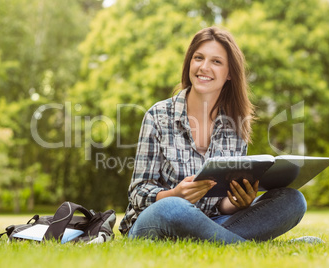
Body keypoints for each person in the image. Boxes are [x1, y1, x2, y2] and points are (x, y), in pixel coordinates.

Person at [119, 26, 307, 244]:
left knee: (293, 200)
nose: (204, 67)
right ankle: (242, 244)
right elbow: (138, 193)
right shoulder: (158, 116)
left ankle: (219, 241)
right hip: (156, 223)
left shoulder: (236, 124)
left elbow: (220, 205)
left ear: (229, 74)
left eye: (216, 61)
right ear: (189, 63)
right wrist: (175, 194)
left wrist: (237, 202)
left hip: (213, 222)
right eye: (198, 58)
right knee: (174, 208)